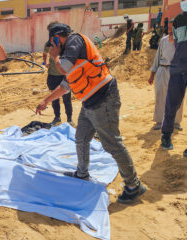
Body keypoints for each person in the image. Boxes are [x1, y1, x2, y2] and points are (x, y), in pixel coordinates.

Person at [36, 23, 146, 204]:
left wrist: (54, 57)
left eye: (53, 42)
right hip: (90, 103)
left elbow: (63, 68)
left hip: (104, 99)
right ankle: (82, 173)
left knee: (112, 143)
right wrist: (46, 101)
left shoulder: (74, 41)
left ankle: (134, 185)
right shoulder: (70, 54)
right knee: (80, 138)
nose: (53, 46)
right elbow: (66, 85)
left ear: (58, 37)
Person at [161, 1, 187, 152]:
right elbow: (176, 42)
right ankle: (165, 136)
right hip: (178, 67)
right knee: (171, 104)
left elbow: (176, 43)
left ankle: (166, 136)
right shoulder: (177, 20)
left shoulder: (177, 20)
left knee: (171, 104)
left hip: (178, 67)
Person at [148, 23, 184, 130]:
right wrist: (152, 74)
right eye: (169, 29)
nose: (170, 31)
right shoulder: (163, 40)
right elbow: (157, 58)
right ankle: (159, 121)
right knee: (160, 96)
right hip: (162, 70)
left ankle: (176, 122)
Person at [43, 21, 74, 125]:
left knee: (67, 98)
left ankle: (69, 120)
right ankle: (57, 118)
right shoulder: (48, 44)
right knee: (54, 98)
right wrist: (46, 62)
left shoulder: (65, 44)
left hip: (63, 75)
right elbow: (44, 54)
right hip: (52, 75)